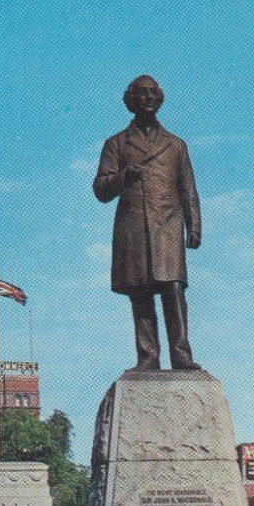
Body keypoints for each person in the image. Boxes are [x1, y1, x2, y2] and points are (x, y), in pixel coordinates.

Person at [93, 74, 201, 370]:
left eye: (154, 92)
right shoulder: (116, 143)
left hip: (167, 223)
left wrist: (194, 226)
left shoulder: (176, 145)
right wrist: (123, 176)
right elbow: (101, 189)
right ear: (131, 100)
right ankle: (148, 356)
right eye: (142, 93)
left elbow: (188, 188)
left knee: (173, 289)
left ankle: (182, 354)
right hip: (134, 225)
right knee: (140, 292)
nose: (149, 97)